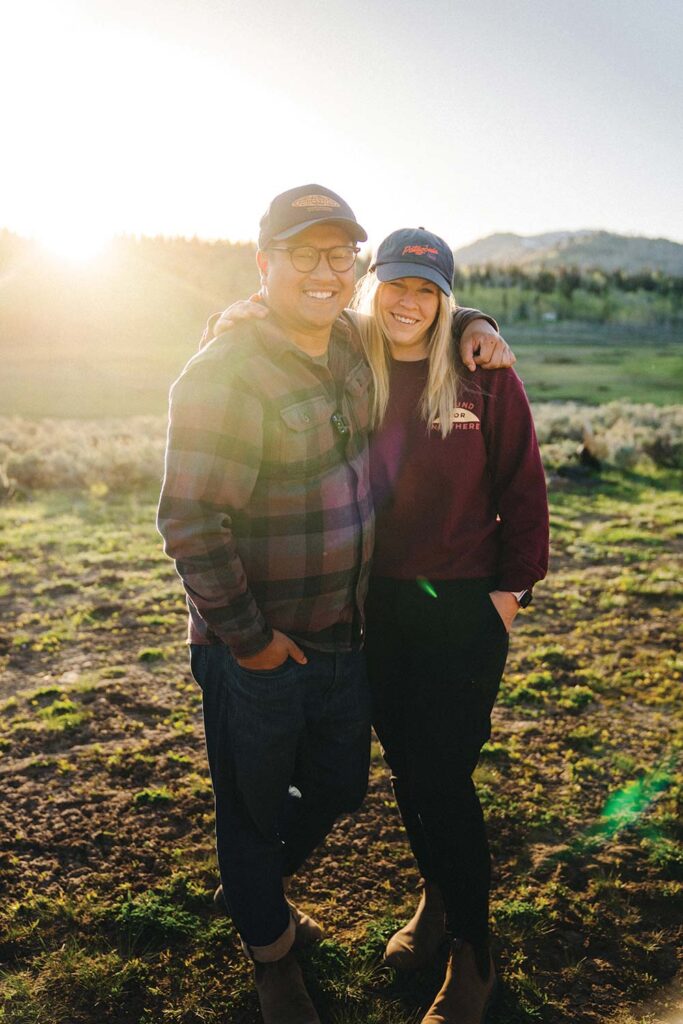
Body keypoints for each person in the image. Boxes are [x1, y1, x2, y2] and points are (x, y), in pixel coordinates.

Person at [158, 184, 513, 1024]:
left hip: (343, 636)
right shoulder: (224, 368)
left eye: (338, 254)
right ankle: (272, 957)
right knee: (248, 807)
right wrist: (248, 641)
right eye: (303, 253)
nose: (325, 270)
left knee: (340, 785)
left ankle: (255, 892)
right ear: (265, 263)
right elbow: (187, 519)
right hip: (255, 645)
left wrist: (473, 323)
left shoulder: (348, 347)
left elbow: (420, 306)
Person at [355, 228, 549, 1023]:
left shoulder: (481, 375)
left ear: (444, 300)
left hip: (466, 607)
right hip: (377, 605)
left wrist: (507, 597)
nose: (410, 301)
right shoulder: (348, 366)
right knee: (409, 770)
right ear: (376, 288)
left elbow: (525, 488)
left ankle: (473, 953)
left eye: (428, 291)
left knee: (442, 776)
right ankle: (437, 901)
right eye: (397, 284)